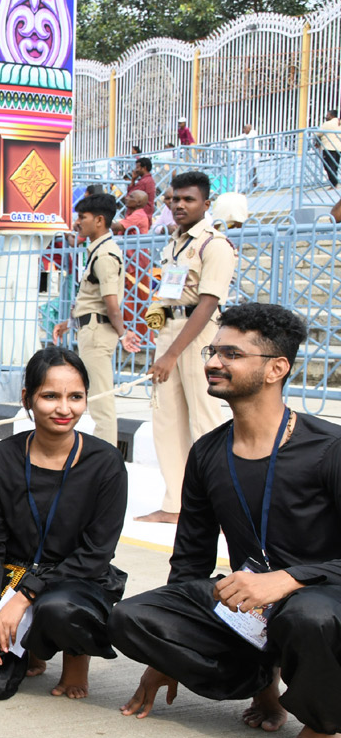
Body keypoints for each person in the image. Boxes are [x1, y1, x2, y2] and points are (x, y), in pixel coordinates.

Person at [111, 303, 341, 738]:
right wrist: (166, 654)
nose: (212, 362)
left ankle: (324, 719)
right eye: (213, 351)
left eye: (231, 354)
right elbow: (191, 559)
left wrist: (289, 578)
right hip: (249, 600)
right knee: (129, 617)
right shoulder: (208, 453)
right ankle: (260, 682)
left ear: (276, 368)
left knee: (307, 617)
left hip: (324, 595)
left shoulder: (328, 449)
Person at [0, 348, 128, 700]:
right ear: (27, 399)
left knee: (59, 607)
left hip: (74, 580)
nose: (64, 408)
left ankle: (74, 661)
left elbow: (96, 553)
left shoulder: (105, 463)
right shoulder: (3, 457)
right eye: (50, 396)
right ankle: (27, 651)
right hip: (8, 576)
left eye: (75, 397)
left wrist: (24, 599)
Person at [137, 171, 237, 524]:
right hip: (171, 334)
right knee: (167, 423)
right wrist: (152, 329)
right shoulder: (174, 244)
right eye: (174, 200)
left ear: (206, 204)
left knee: (205, 422)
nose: (179, 205)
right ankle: (175, 505)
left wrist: (171, 354)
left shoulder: (215, 245)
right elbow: (166, 297)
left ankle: (219, 507)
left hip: (201, 338)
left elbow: (208, 303)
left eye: (188, 199)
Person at [54, 194, 142, 450]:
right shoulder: (96, 251)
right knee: (95, 395)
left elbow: (110, 302)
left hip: (97, 330)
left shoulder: (105, 255)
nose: (78, 223)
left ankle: (107, 458)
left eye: (83, 218)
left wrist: (123, 333)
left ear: (100, 220)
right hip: (89, 326)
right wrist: (68, 323)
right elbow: (90, 299)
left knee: (101, 399)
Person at [319, 109, 340, 189]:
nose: (326, 117)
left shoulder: (327, 124)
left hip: (328, 147)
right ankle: (334, 183)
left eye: (327, 115)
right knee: (335, 166)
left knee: (328, 166)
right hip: (338, 147)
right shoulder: (339, 123)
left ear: (331, 116)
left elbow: (318, 133)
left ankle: (334, 184)